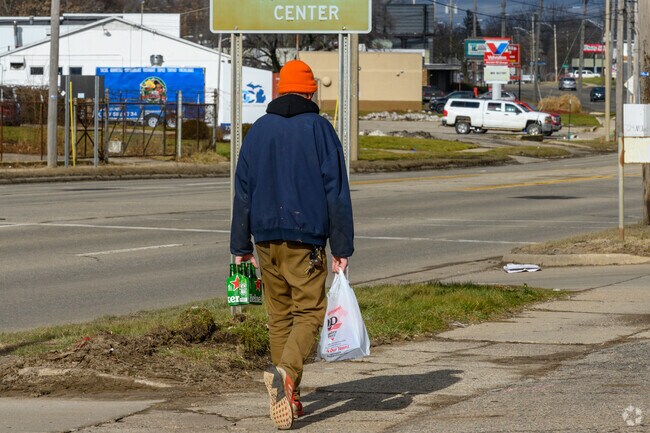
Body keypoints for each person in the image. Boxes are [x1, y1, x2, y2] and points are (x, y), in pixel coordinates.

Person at [230, 59, 354, 430]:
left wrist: (240, 244)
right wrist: (342, 247)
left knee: (279, 316)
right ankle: (285, 371)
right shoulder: (320, 129)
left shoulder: (258, 131)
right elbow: (336, 192)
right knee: (311, 312)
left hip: (265, 238)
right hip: (306, 238)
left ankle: (291, 394)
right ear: (311, 90)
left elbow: (243, 191)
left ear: (279, 89)